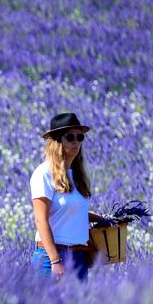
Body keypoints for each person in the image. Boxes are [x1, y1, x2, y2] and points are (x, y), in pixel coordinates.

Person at [30, 112, 104, 280]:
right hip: (52, 257)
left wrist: (102, 219)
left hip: (78, 257)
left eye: (80, 137)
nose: (76, 142)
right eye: (70, 137)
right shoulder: (44, 173)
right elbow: (41, 220)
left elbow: (71, 213)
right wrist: (55, 260)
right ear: (57, 141)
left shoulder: (77, 175)